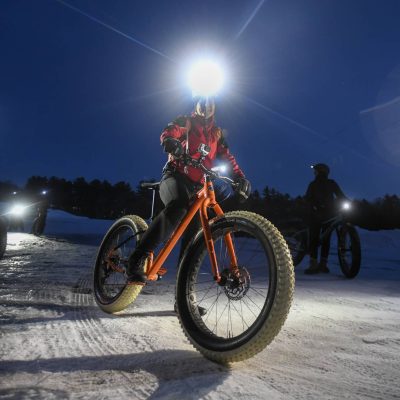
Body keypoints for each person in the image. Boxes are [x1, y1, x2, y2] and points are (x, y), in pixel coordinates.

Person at [125, 97, 251, 285]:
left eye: (210, 103)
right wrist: (169, 140)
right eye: (202, 102)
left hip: (197, 188)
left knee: (194, 238)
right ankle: (137, 258)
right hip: (174, 177)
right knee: (179, 206)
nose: (206, 106)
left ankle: (183, 296)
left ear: (215, 107)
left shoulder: (217, 134)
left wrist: (240, 177)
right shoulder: (186, 122)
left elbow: (228, 157)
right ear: (196, 105)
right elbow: (170, 131)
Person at [304, 163, 347, 274]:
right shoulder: (331, 183)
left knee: (316, 237)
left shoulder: (313, 184)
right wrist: (349, 202)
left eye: (316, 171)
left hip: (317, 214)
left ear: (320, 171)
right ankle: (321, 264)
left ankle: (314, 265)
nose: (314, 173)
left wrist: (313, 207)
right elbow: (341, 195)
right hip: (328, 214)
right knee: (325, 239)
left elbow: (308, 198)